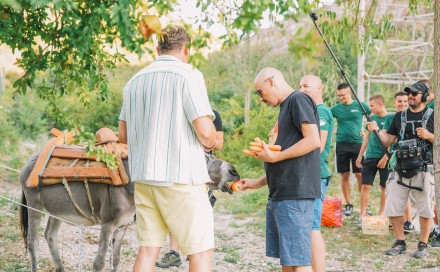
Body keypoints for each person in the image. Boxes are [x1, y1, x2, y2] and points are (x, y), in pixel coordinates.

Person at [118, 25, 217, 272]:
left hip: (143, 179)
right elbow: (206, 134)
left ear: (157, 48)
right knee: (200, 252)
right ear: (186, 49)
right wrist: (212, 138)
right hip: (181, 178)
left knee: (148, 250)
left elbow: (123, 136)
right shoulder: (188, 75)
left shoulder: (133, 81)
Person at [241, 67, 321, 271]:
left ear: (271, 81)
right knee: (289, 260)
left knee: (299, 262)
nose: (261, 98)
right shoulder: (285, 108)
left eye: (260, 92)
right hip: (281, 194)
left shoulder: (298, 100)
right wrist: (256, 183)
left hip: (295, 195)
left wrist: (275, 155)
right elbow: (283, 160)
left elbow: (313, 141)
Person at [367, 81, 434, 259]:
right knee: (393, 207)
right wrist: (377, 130)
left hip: (424, 169)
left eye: (415, 93)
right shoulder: (399, 117)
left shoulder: (434, 116)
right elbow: (388, 140)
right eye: (409, 93)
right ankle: (400, 242)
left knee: (425, 208)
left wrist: (429, 136)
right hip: (400, 168)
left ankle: (423, 244)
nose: (411, 96)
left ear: (425, 96)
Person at [156, 109, 224, 268]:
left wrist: (202, 142)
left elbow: (219, 142)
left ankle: (195, 252)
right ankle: (173, 253)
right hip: (178, 168)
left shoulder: (213, 115)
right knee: (175, 210)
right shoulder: (178, 112)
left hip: (203, 169)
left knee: (198, 213)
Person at [299, 75, 333, 272]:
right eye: (300, 85)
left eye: (306, 86)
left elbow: (317, 145)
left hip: (316, 174)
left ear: (319, 88)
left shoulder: (321, 111)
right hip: (308, 174)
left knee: (312, 226)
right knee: (307, 226)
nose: (302, 89)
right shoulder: (311, 110)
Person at [331, 83, 371, 216]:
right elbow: (326, 119)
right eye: (339, 96)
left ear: (349, 93)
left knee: (359, 174)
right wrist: (333, 130)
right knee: (345, 174)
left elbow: (374, 117)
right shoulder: (336, 109)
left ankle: (365, 204)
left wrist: (366, 132)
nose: (341, 98)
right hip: (341, 143)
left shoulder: (361, 105)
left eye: (343, 95)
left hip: (358, 144)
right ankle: (348, 204)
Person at [355, 95, 389, 224]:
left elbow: (393, 139)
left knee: (384, 187)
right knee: (365, 185)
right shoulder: (371, 119)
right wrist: (360, 156)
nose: (370, 108)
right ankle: (362, 214)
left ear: (380, 104)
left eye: (372, 106)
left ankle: (382, 213)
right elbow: (366, 138)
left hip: (384, 157)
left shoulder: (390, 118)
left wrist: (385, 157)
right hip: (370, 156)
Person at [384, 92, 415, 234]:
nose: (402, 104)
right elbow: (388, 138)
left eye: (405, 101)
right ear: (394, 102)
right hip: (394, 158)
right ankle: (396, 220)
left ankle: (408, 220)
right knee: (394, 190)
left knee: (407, 191)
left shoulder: (411, 116)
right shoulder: (392, 117)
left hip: (408, 158)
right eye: (399, 101)